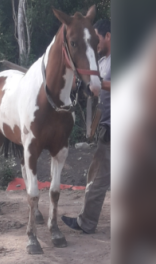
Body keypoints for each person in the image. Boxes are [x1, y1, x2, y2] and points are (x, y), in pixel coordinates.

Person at [62, 19, 111, 234]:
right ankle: (87, 222)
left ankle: (87, 223)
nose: (95, 45)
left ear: (108, 36)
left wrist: (99, 81)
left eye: (97, 39)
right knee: (97, 175)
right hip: (107, 126)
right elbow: (94, 89)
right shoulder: (100, 63)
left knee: (99, 178)